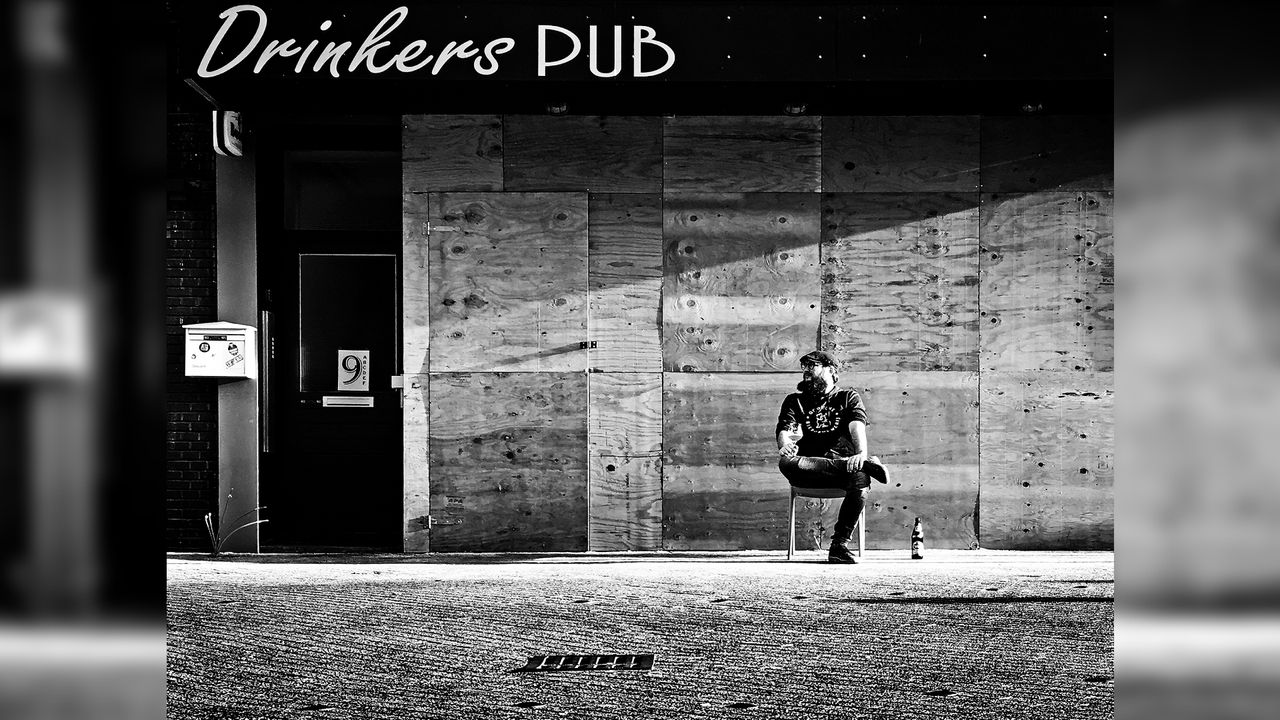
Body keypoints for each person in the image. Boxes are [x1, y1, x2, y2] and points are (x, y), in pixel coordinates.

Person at [777, 350, 889, 563]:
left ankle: (839, 546)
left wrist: (861, 453)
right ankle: (864, 465)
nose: (806, 371)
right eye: (804, 367)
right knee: (786, 462)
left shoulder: (847, 397)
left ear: (830, 369)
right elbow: (786, 430)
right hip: (806, 469)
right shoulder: (794, 401)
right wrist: (785, 446)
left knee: (860, 478)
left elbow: (857, 426)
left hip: (843, 473)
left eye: (812, 366)